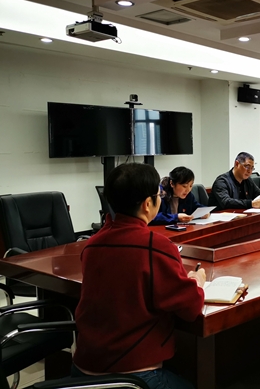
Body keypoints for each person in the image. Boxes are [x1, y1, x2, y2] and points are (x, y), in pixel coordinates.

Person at [72, 163, 206, 389]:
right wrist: (197, 280)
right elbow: (190, 307)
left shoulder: (91, 245)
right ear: (147, 204)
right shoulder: (156, 245)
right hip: (132, 375)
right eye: (158, 195)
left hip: (83, 370)